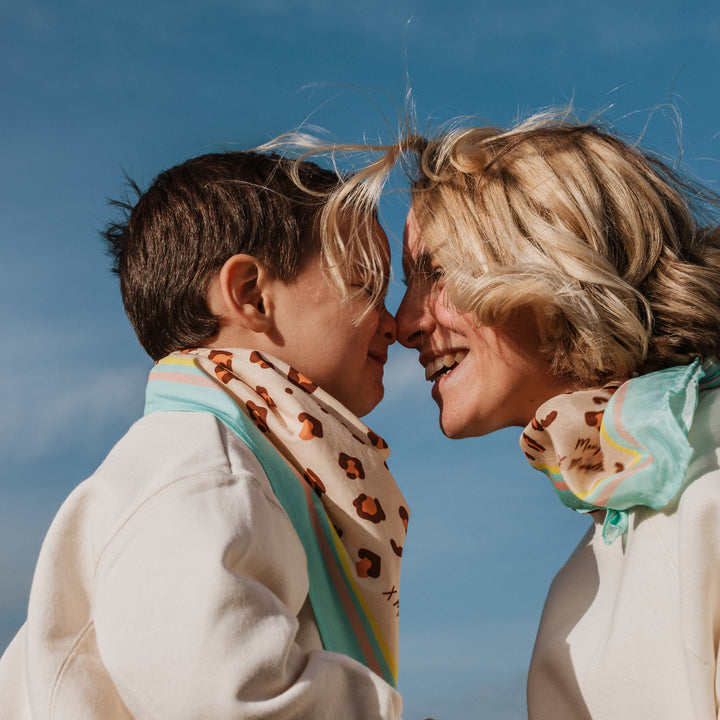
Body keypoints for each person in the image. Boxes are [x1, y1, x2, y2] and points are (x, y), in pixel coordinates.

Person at [0, 151, 409, 719]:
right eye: (366, 286)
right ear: (251, 293)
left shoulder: (230, 458)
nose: (394, 324)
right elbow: (222, 697)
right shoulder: (202, 465)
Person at [380, 114, 720, 718]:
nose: (405, 324)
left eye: (434, 272)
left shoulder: (707, 492)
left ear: (549, 255)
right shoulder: (594, 555)